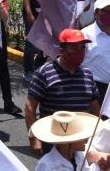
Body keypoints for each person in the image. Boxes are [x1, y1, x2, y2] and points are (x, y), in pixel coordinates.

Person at [26, 27, 102, 157]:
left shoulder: (87, 74)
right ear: (62, 49)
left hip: (80, 137)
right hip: (54, 139)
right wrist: (34, 139)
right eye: (74, 48)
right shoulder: (44, 73)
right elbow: (30, 107)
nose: (79, 52)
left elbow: (95, 107)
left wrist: (97, 136)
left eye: (82, 48)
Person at [31, 111, 109, 171]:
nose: (86, 140)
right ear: (69, 142)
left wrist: (99, 166)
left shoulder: (80, 156)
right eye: (82, 137)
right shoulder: (48, 165)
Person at [82, 0, 110, 103]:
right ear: (96, 13)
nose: (108, 14)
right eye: (104, 11)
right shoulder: (86, 34)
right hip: (93, 88)